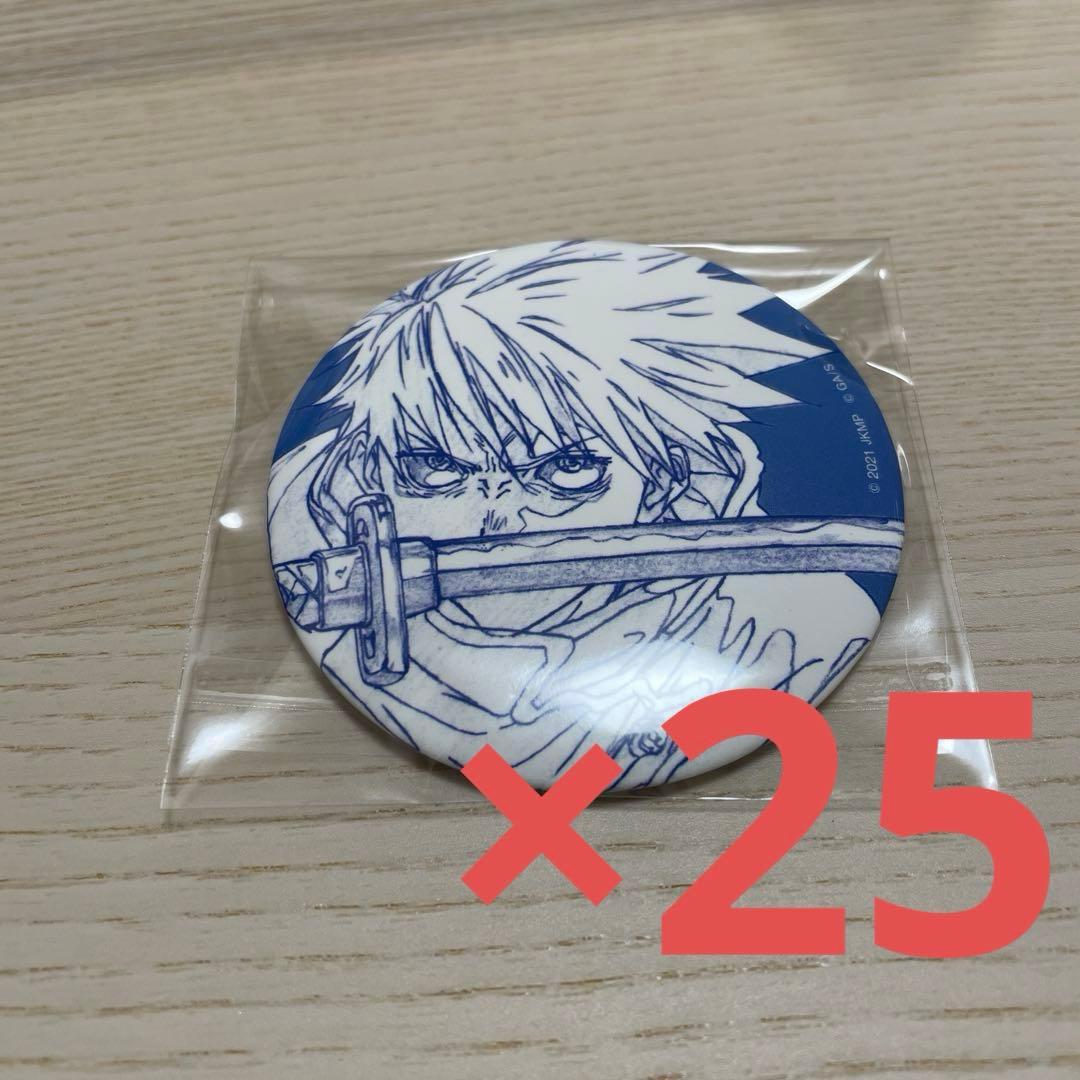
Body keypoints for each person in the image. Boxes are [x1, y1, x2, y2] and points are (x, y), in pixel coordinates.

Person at [268, 241, 882, 788]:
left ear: (665, 478)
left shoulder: (789, 632)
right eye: (435, 466)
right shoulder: (314, 526)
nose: (496, 522)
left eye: (567, 469)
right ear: (369, 462)